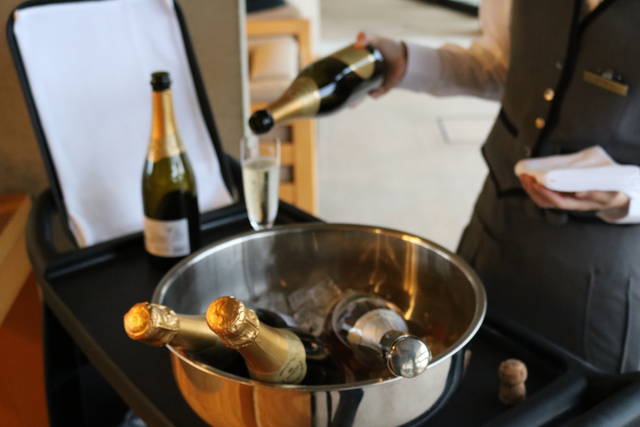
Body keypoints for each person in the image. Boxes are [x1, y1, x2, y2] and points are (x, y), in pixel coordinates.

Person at [359, 0, 640, 373]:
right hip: (496, 225)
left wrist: (627, 192)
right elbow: (504, 63)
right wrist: (409, 61)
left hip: (604, 275)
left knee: (576, 399)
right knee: (463, 375)